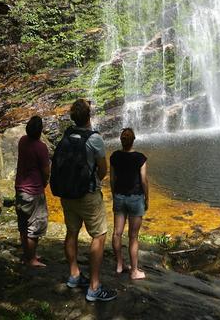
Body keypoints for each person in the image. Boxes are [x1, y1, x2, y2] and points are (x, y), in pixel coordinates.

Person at [59, 99, 116, 303]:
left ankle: (74, 275)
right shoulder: (94, 139)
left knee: (71, 232)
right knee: (99, 235)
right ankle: (94, 286)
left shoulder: (66, 134)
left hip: (67, 194)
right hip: (88, 195)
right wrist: (93, 183)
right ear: (89, 116)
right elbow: (103, 169)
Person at [110, 127, 149, 280]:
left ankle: (120, 264)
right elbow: (144, 180)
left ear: (121, 140)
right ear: (133, 140)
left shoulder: (114, 156)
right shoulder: (140, 158)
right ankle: (134, 271)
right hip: (135, 198)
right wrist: (147, 198)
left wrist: (115, 194)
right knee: (133, 236)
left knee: (117, 233)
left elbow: (112, 179)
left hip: (119, 197)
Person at [15, 115, 50, 267]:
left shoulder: (22, 141)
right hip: (34, 191)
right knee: (34, 227)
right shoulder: (41, 147)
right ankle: (32, 259)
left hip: (20, 189)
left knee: (24, 224)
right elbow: (46, 171)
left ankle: (28, 254)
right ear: (40, 131)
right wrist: (45, 182)